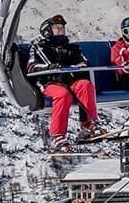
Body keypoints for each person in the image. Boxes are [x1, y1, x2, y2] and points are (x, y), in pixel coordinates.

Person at [26, 14, 101, 152]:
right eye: (57, 28)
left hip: (70, 79)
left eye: (62, 28)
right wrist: (49, 67)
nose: (61, 31)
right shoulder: (39, 48)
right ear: (48, 30)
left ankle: (87, 125)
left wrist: (75, 67)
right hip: (49, 82)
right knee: (63, 95)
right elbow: (31, 66)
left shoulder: (71, 48)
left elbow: (85, 62)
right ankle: (57, 135)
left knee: (85, 85)